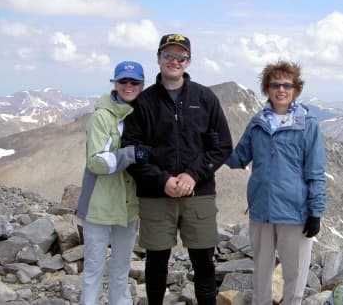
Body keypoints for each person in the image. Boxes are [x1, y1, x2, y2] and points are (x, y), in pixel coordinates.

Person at [121, 33, 233, 305]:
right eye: (168, 55)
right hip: (156, 196)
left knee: (204, 263)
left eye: (180, 56)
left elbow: (222, 146)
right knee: (157, 262)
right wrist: (162, 180)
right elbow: (132, 152)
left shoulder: (205, 98)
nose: (174, 60)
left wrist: (193, 174)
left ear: (188, 60)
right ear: (159, 58)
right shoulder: (143, 102)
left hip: (199, 193)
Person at [226, 60, 327, 305]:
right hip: (261, 210)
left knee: (295, 273)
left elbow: (315, 171)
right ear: (267, 89)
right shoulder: (258, 122)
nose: (281, 90)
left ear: (296, 89)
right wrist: (212, 140)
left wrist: (316, 212)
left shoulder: (308, 124)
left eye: (287, 85)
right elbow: (238, 158)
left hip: (294, 211)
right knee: (261, 271)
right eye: (275, 85)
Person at [77, 61, 149, 305]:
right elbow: (95, 162)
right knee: (94, 269)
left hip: (128, 206)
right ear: (115, 83)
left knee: (121, 268)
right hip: (99, 205)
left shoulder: (142, 115)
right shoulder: (101, 117)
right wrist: (131, 154)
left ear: (142, 85)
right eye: (123, 81)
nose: (128, 86)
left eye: (134, 82)